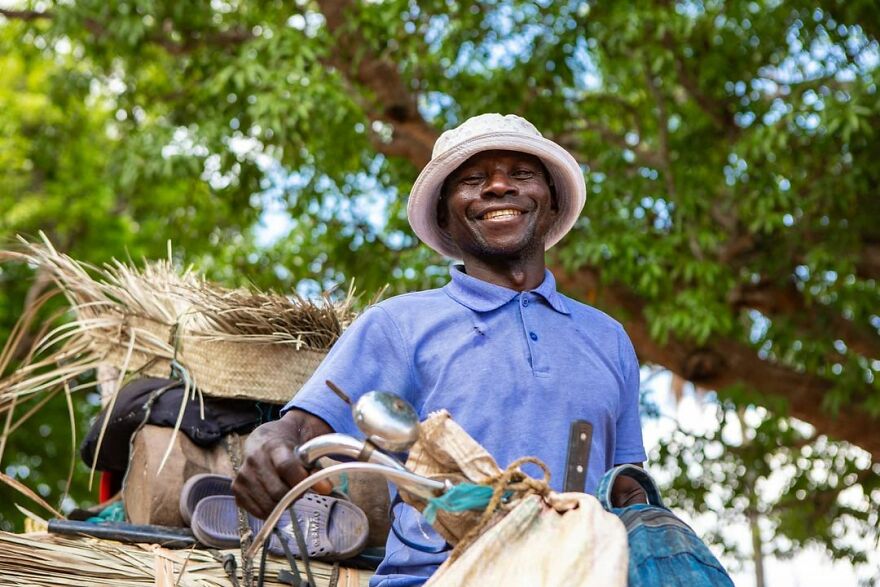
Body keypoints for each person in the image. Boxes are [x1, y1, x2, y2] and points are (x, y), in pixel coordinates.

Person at [232, 113, 648, 586]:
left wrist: (657, 528)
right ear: (447, 219)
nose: (497, 187)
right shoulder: (399, 325)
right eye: (472, 180)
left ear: (550, 204)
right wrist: (270, 442)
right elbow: (302, 429)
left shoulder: (607, 337)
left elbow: (626, 486)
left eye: (521, 174)